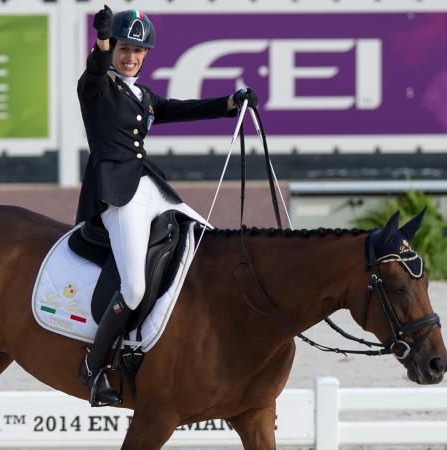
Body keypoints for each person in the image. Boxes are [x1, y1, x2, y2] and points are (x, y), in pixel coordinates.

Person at [75, 5, 259, 407]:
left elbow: (178, 109)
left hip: (149, 186)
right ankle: (93, 365)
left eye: (138, 51)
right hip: (116, 193)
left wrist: (231, 103)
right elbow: (94, 70)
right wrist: (102, 45)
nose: (131, 57)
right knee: (134, 286)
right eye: (124, 48)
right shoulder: (97, 86)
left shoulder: (142, 94)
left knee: (205, 238)